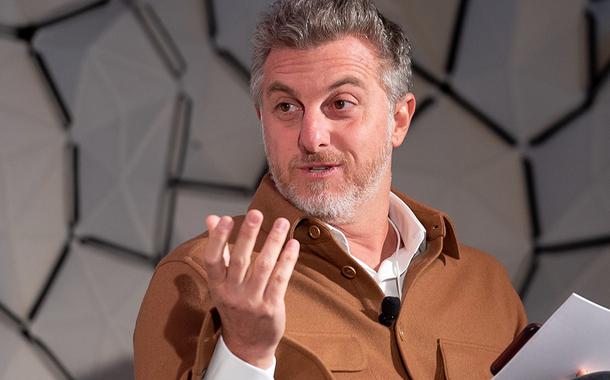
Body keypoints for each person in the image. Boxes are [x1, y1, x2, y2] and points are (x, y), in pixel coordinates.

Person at [133, 0, 529, 378]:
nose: (311, 137)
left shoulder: (486, 285)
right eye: (286, 107)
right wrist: (245, 355)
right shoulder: (199, 278)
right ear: (262, 120)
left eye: (340, 103)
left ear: (399, 120)